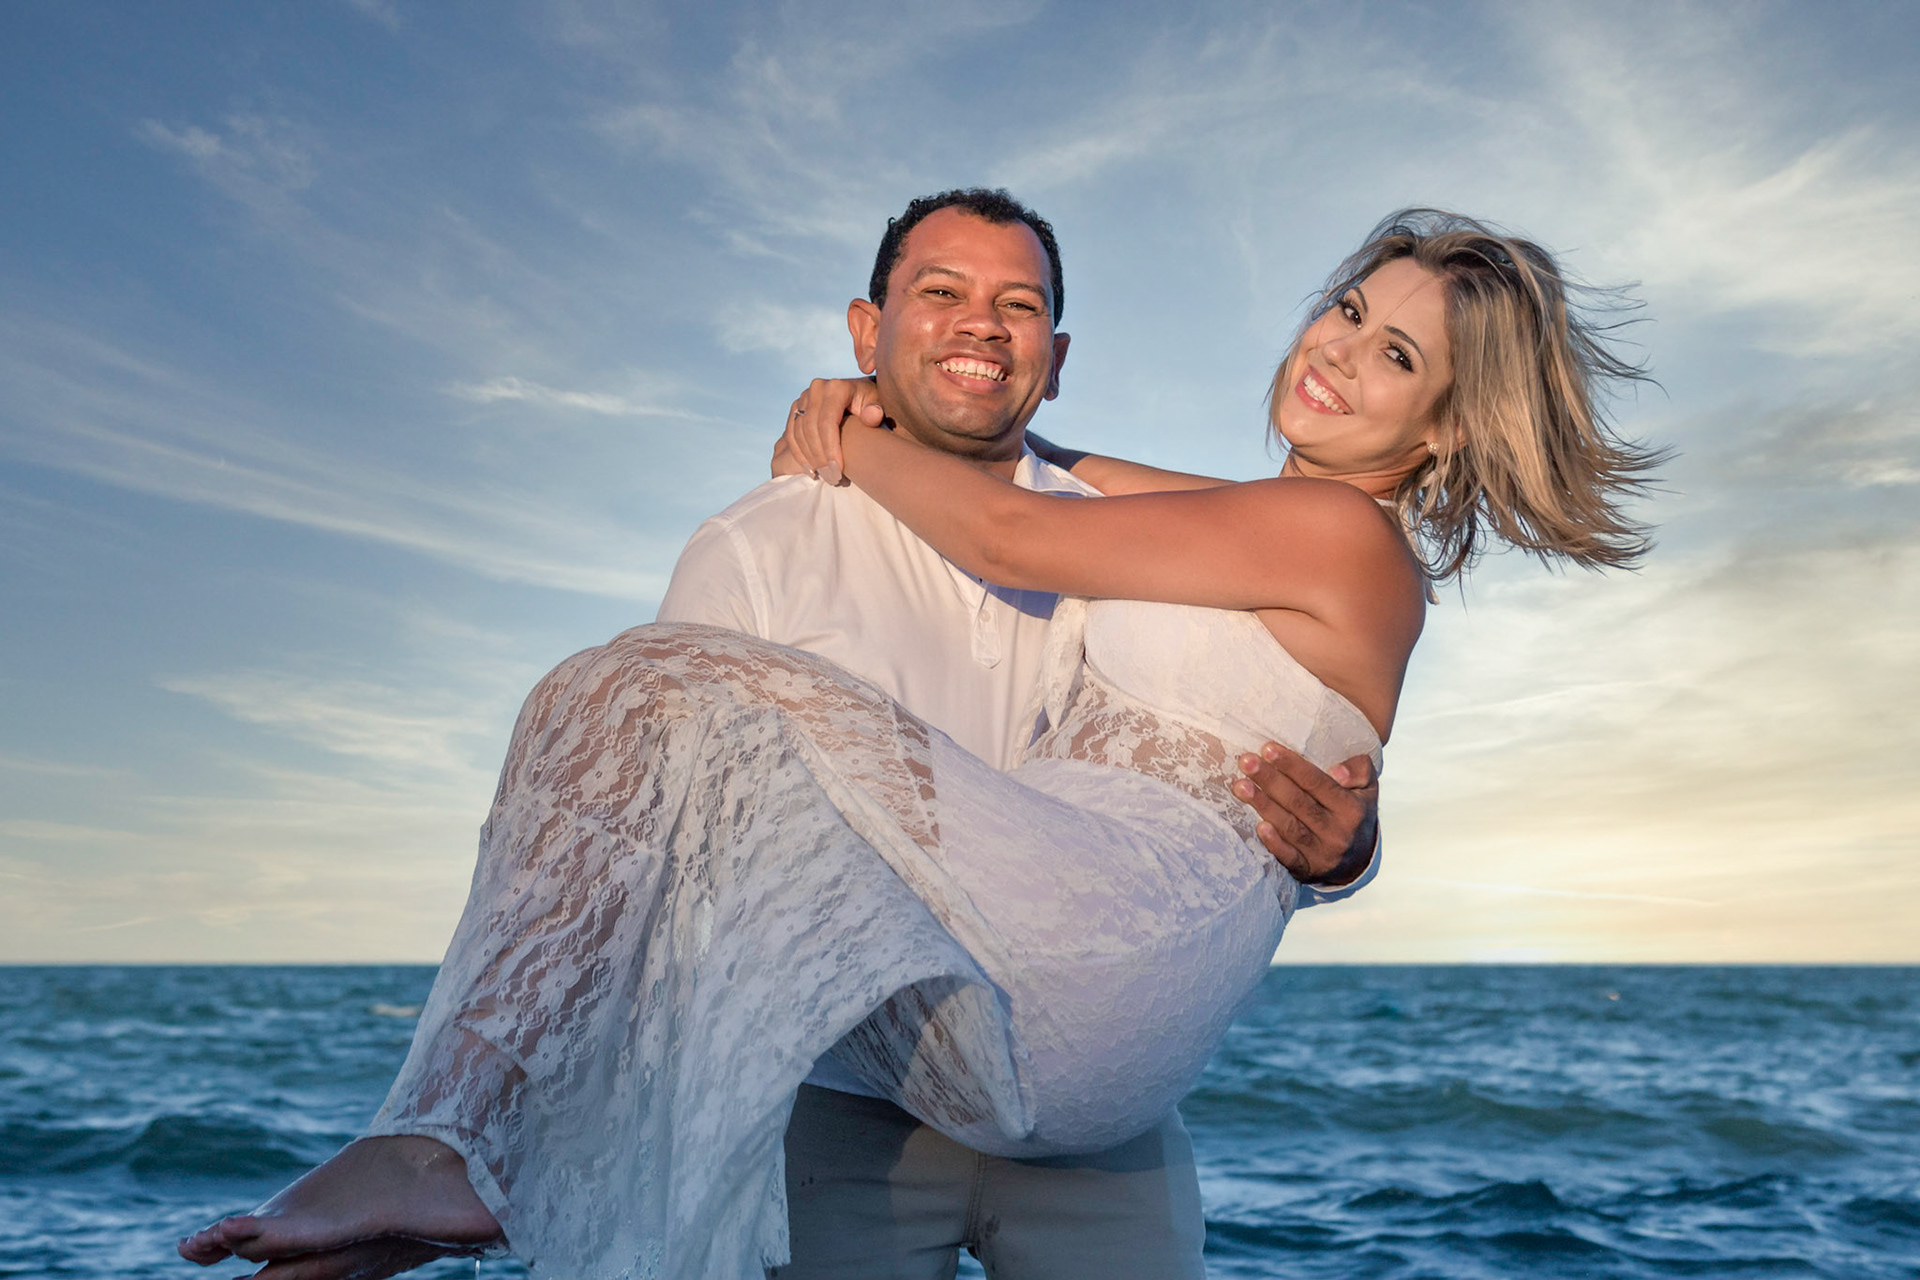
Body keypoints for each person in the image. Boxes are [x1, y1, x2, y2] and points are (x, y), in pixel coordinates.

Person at [180, 197, 1658, 1280]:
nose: (1337, 353)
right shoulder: (1187, 520)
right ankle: (469, 1176)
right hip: (937, 1024)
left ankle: (459, 1147)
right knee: (660, 749)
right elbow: (1052, 473)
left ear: (1449, 425)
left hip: (1083, 981)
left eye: (1395, 355)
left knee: (628, 689)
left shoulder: (1332, 532)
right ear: (874, 326)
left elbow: (1015, 512)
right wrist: (879, 414)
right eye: (1347, 309)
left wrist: (873, 433)